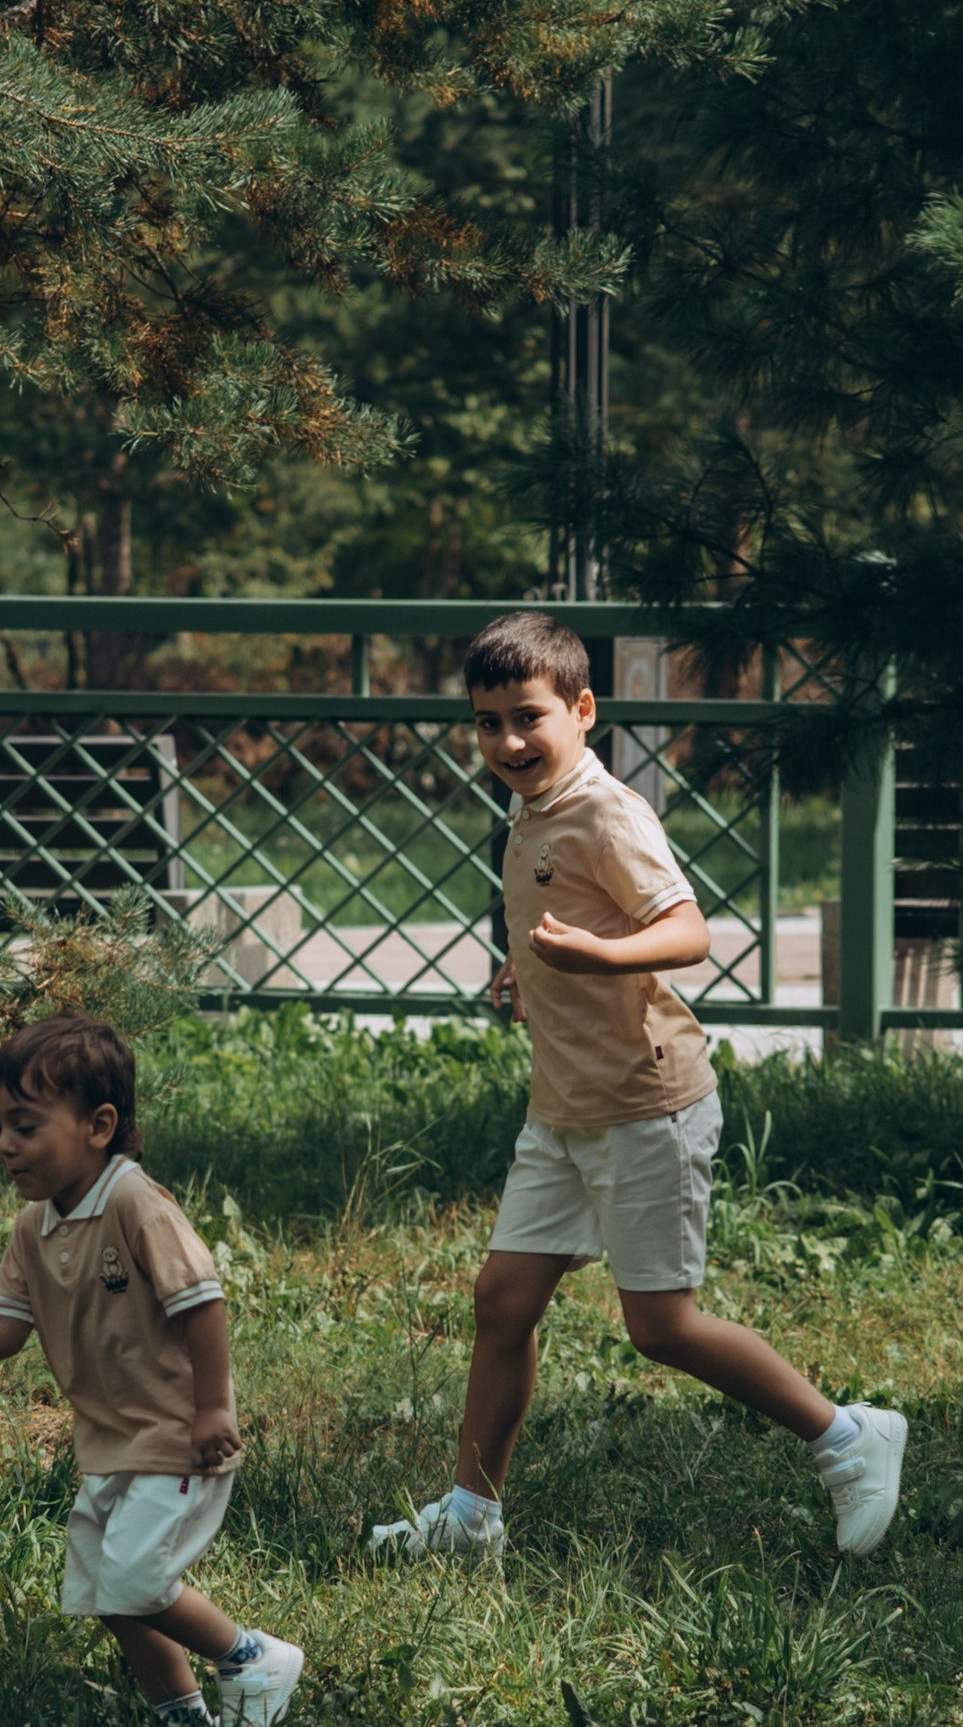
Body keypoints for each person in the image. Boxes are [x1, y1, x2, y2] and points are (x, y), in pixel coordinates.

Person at [373, 610, 905, 1565]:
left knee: (660, 1327)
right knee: (503, 1300)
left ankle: (849, 1437)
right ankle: (468, 1519)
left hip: (646, 1106)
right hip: (564, 1107)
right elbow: (560, 907)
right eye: (487, 722)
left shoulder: (608, 811)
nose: (507, 741)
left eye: (527, 717)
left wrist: (600, 955)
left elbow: (690, 932)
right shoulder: (535, 806)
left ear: (583, 710)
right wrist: (526, 971)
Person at [0, 1012, 304, 1727]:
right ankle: (180, 1721)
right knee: (107, 1595)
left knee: (137, 1578)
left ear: (99, 1124)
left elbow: (203, 1300)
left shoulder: (134, 1201)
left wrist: (212, 1407)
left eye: (24, 1125)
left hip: (178, 1437)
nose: (5, 1145)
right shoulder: (34, 1226)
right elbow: (8, 1327)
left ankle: (253, 1658)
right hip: (110, 1443)